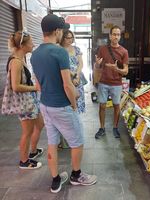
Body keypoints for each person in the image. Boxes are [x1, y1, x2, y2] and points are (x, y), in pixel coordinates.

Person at [30, 14, 97, 194]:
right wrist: (74, 105)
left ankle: (55, 180)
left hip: (45, 105)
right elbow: (67, 85)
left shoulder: (35, 54)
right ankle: (76, 175)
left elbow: (38, 85)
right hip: (61, 105)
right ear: (57, 31)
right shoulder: (59, 51)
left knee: (52, 142)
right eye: (62, 30)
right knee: (77, 141)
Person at [6, 31, 44, 169]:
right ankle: (24, 161)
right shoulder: (16, 62)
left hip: (30, 100)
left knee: (40, 125)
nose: (33, 44)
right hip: (24, 103)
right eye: (31, 43)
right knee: (27, 132)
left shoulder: (21, 59)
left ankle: (33, 152)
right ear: (22, 45)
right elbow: (15, 86)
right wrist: (35, 88)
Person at [94, 25, 129, 139]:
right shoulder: (102, 49)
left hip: (116, 84)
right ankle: (102, 128)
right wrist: (97, 63)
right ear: (110, 36)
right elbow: (97, 65)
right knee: (102, 106)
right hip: (103, 82)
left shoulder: (124, 51)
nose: (116, 37)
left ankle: (115, 128)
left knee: (116, 106)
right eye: (114, 34)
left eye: (118, 34)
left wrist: (117, 69)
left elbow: (126, 71)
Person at [60, 29, 86, 114]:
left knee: (79, 100)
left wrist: (77, 75)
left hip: (77, 79)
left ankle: (77, 120)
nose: (70, 40)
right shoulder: (59, 50)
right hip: (66, 78)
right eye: (67, 38)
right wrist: (72, 76)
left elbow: (81, 63)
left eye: (71, 38)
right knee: (68, 102)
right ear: (63, 38)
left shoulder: (76, 49)